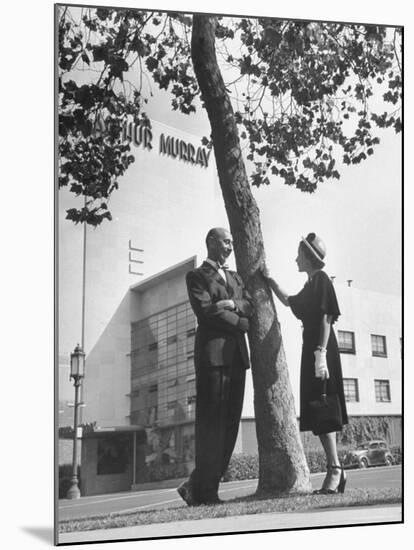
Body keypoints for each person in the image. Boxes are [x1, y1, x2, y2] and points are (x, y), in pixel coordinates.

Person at [261, 233, 348, 494]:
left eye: (299, 254)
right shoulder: (310, 284)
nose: (295, 258)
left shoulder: (321, 280)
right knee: (318, 407)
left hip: (320, 349)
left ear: (309, 257)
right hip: (311, 348)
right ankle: (336, 469)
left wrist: (320, 353)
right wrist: (270, 280)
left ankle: (335, 470)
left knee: (325, 405)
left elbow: (326, 318)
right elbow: (290, 302)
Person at [177, 227, 253, 505]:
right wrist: (241, 322)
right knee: (211, 425)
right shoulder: (196, 276)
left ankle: (197, 486)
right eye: (225, 241)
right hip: (212, 359)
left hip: (237, 359)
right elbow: (206, 311)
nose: (230, 245)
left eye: (232, 241)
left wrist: (232, 303)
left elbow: (250, 305)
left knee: (231, 425)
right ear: (211, 242)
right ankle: (205, 492)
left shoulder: (234, 277)